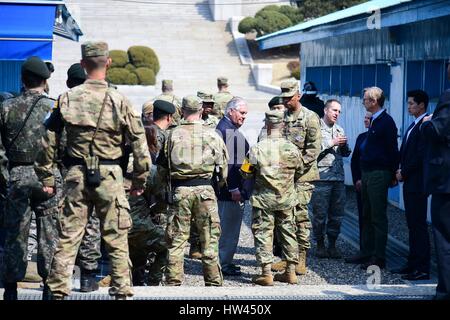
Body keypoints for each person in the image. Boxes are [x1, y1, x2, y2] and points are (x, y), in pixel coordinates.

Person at [35, 41, 150, 300]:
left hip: (76, 174)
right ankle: (121, 292)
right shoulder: (120, 100)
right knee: (117, 238)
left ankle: (57, 292)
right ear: (108, 63)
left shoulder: (66, 98)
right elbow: (139, 143)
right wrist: (140, 179)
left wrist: (45, 174)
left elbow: (48, 138)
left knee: (68, 236)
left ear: (83, 64)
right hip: (110, 175)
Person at [0, 56, 62, 300]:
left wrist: (6, 178)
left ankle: (11, 289)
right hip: (48, 178)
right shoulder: (54, 107)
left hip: (17, 175)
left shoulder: (6, 107)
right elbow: (64, 145)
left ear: (22, 79)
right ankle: (49, 287)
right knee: (50, 234)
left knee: (16, 234)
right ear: (45, 80)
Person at [157, 95, 228, 286]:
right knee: (210, 239)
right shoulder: (213, 134)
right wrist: (216, 185)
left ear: (182, 110)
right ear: (201, 110)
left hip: (180, 191)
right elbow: (223, 170)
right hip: (205, 190)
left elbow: (163, 167)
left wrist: (166, 188)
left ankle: (173, 283)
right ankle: (213, 283)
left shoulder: (173, 134)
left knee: (177, 240)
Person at [241, 110, 302, 286]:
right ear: (283, 125)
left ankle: (266, 273)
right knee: (289, 233)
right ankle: (290, 272)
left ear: (266, 126)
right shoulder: (293, 149)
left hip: (263, 200)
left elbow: (245, 173)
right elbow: (300, 171)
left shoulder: (257, 148)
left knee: (263, 234)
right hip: (286, 199)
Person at [345, 87, 399, 270]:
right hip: (368, 172)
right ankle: (366, 251)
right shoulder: (375, 121)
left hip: (378, 172)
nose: (363, 102)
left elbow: (392, 150)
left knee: (377, 215)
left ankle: (379, 256)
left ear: (375, 101)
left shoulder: (386, 122)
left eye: (366, 99)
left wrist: (392, 174)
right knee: (366, 214)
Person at [271, 80, 321, 276]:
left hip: (302, 177)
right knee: (284, 217)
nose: (285, 101)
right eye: (283, 97)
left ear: (298, 96)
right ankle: (286, 257)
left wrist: (294, 167)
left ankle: (301, 258)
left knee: (300, 217)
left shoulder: (310, 118)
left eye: (289, 97)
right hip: (283, 178)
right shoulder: (281, 117)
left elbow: (313, 150)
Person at [63, 62, 102, 293]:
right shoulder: (103, 103)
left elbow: (52, 142)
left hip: (67, 171)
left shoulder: (62, 104)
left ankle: (62, 276)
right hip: (97, 170)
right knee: (92, 224)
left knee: (67, 224)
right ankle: (88, 277)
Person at [392, 90, 431, 280]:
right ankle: (412, 262)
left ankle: (422, 268)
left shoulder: (425, 125)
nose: (408, 106)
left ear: (421, 105)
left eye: (411, 103)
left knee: (418, 225)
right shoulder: (414, 125)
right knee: (412, 225)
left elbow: (420, 156)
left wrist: (403, 172)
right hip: (410, 182)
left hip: (417, 183)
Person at [421, 61, 450, 300]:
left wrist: (427, 123)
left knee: (444, 237)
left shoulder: (449, 95)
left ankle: (445, 291)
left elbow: (437, 130)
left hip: (446, 183)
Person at [311, 99, 351, 259]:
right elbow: (312, 152)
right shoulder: (316, 129)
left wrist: (343, 145)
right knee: (319, 215)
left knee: (337, 214)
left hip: (338, 179)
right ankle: (320, 244)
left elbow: (346, 153)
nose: (337, 114)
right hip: (322, 178)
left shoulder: (339, 129)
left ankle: (332, 245)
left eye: (339, 111)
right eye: (334, 110)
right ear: (326, 110)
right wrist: (331, 142)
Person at [216, 97, 251, 277]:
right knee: (229, 229)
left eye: (246, 114)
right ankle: (223, 263)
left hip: (228, 191)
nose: (244, 117)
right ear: (231, 111)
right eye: (242, 113)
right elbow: (229, 165)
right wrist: (234, 189)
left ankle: (223, 261)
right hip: (231, 192)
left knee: (225, 227)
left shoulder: (226, 128)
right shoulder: (229, 132)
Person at [350, 111, 372, 250]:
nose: (365, 120)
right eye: (364, 117)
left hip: (372, 181)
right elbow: (354, 161)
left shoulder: (377, 138)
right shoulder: (361, 137)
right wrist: (357, 179)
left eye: (368, 118)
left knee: (373, 216)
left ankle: (373, 248)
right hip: (360, 183)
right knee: (362, 215)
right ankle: (363, 246)